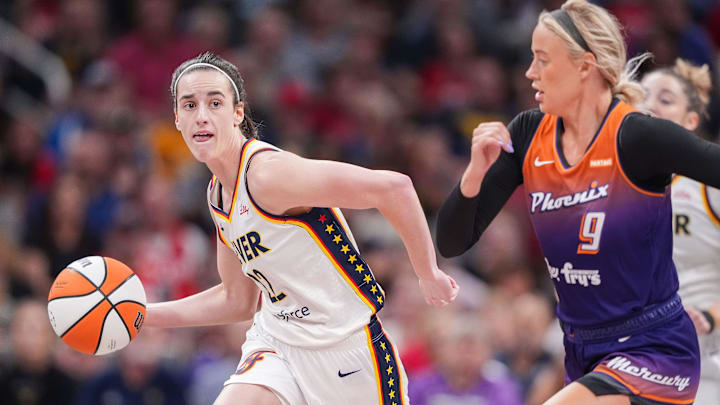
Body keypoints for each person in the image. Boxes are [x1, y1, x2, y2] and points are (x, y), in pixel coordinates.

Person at [436, 0, 720, 404]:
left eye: (542, 60)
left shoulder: (636, 137)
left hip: (653, 347)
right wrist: (473, 174)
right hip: (582, 350)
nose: (530, 73)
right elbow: (450, 242)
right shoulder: (530, 134)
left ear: (584, 65)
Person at [145, 52, 459, 405]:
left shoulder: (268, 175)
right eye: (189, 105)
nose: (201, 116)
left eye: (214, 103)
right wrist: (142, 316)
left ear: (237, 113)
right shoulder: (218, 194)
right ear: (176, 118)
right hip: (277, 341)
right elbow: (237, 300)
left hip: (346, 349)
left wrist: (427, 272)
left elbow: (394, 188)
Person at [640, 59, 720, 405]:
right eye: (642, 97)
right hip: (641, 361)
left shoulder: (709, 185)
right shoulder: (610, 186)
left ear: (691, 121)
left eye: (665, 99)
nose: (650, 106)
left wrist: (710, 315)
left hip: (709, 362)